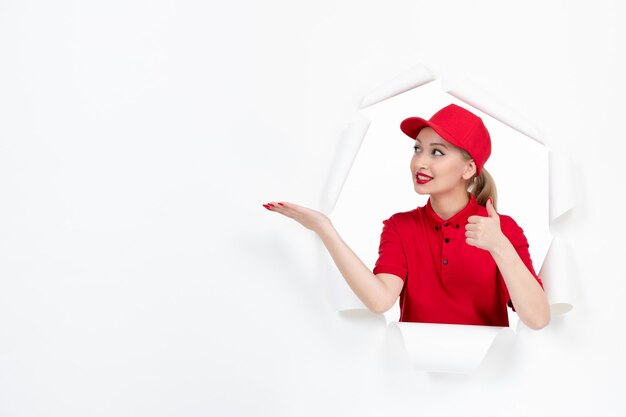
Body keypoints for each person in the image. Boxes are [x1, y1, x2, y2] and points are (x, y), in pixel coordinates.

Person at [263, 103, 550, 330]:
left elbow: (537, 319)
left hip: (486, 383)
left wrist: (499, 247)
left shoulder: (503, 230)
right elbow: (379, 300)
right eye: (418, 149)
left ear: (468, 169)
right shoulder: (400, 227)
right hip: (412, 384)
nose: (420, 162)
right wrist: (325, 229)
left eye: (437, 152)